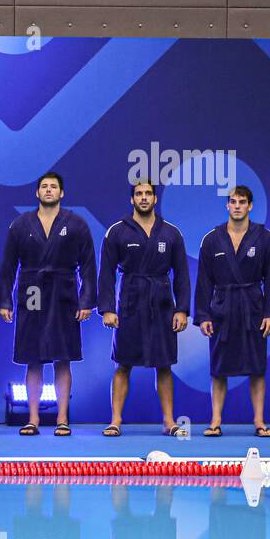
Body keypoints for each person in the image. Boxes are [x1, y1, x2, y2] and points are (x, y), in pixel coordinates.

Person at [0, 172, 96, 436]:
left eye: (54, 187)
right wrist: (4, 299)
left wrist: (87, 299)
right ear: (37, 193)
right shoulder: (20, 224)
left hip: (64, 289)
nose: (49, 190)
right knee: (33, 356)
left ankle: (62, 418)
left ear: (62, 193)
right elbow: (8, 266)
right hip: (32, 289)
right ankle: (33, 419)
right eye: (44, 186)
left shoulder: (77, 224)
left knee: (63, 358)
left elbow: (88, 266)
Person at [97, 181, 192, 437]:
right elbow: (105, 273)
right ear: (132, 200)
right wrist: (107, 308)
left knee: (164, 364)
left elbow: (182, 273)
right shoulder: (117, 231)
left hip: (161, 303)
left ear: (155, 199)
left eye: (148, 193)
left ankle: (169, 421)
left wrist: (182, 309)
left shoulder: (171, 233)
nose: (143, 198)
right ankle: (115, 420)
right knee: (123, 364)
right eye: (138, 194)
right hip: (129, 301)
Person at [194, 185, 270, 437]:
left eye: (242, 202)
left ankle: (259, 422)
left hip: (253, 306)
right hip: (222, 307)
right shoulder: (212, 239)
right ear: (227, 206)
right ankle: (215, 421)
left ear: (250, 206)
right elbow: (204, 281)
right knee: (218, 368)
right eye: (232, 201)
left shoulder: (265, 238)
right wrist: (203, 315)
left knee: (257, 367)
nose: (237, 206)